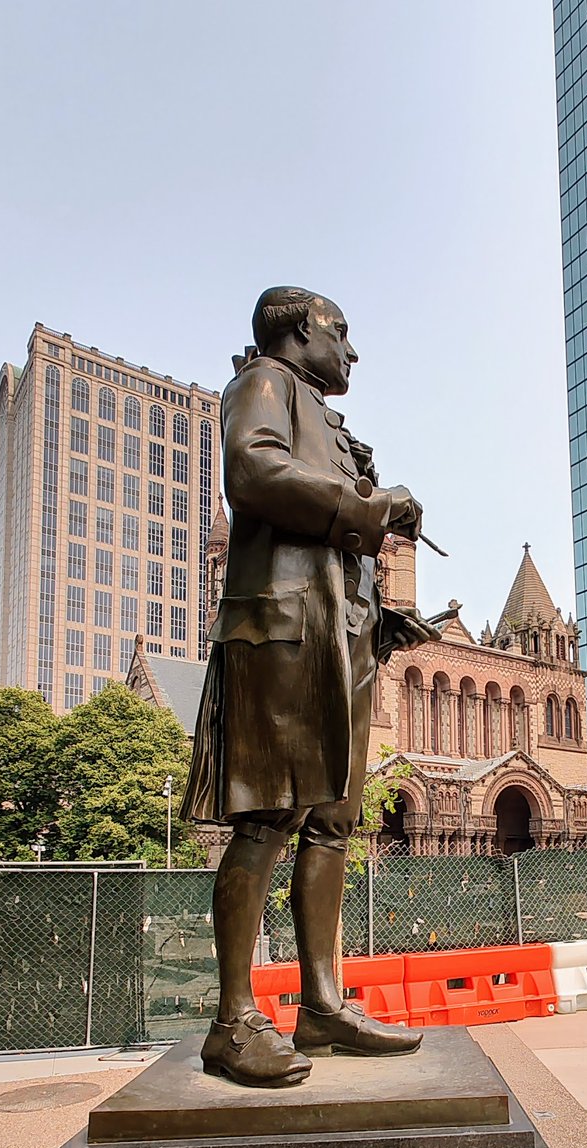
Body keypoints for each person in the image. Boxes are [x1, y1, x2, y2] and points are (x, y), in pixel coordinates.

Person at [181, 286, 440, 1087]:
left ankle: (322, 1006)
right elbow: (254, 473)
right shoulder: (264, 381)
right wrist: (376, 504)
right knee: (270, 818)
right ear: (297, 331)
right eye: (339, 332)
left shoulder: (326, 418)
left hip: (341, 639)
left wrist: (382, 619)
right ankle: (233, 1022)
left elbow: (330, 554)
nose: (351, 350)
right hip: (285, 635)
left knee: (333, 822)